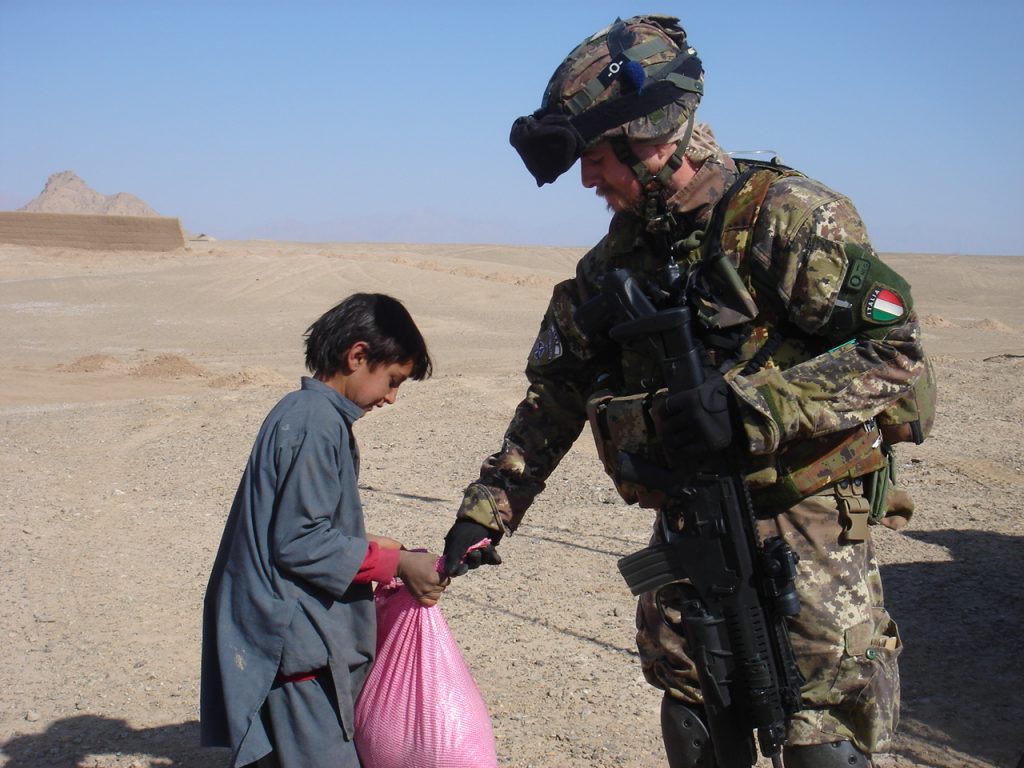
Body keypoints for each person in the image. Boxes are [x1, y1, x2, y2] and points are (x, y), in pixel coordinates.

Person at [442, 14, 935, 768]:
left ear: (654, 138)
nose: (588, 178)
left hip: (802, 522)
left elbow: (894, 351)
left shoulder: (789, 217)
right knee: (697, 725)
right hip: (686, 530)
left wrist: (753, 410)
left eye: (599, 157)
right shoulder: (611, 268)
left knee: (820, 742)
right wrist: (486, 513)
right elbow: (555, 398)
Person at [201, 292, 447, 768]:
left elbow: (297, 521)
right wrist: (395, 564)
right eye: (392, 381)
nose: (392, 399)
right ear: (357, 356)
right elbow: (299, 541)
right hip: (295, 650)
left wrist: (375, 545)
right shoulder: (316, 423)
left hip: (283, 641)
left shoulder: (303, 412)